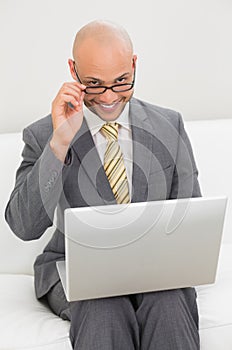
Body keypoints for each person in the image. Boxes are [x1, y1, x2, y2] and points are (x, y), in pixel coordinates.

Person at [5, 19, 201, 350]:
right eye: (94, 84)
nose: (109, 97)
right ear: (73, 69)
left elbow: (192, 219)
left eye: (121, 81)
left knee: (167, 303)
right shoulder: (44, 134)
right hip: (77, 268)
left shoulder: (169, 124)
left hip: (156, 267)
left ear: (134, 64)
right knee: (103, 306)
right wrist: (59, 143)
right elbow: (23, 226)